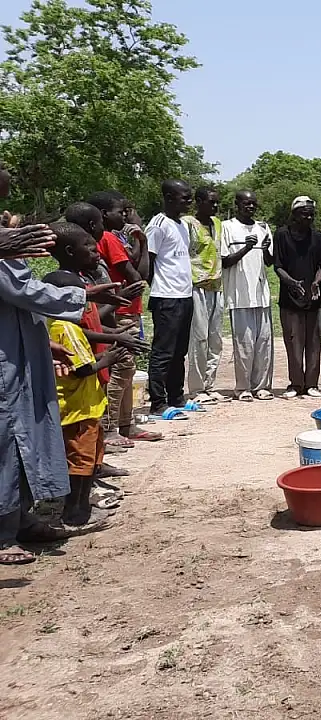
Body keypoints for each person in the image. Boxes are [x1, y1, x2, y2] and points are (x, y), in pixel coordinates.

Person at [42, 223, 131, 530]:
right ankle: (76, 514)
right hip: (77, 411)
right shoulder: (64, 329)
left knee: (88, 459)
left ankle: (82, 506)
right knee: (79, 463)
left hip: (87, 407)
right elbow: (81, 368)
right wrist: (109, 357)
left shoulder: (65, 326)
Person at [87, 191, 160, 445]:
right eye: (122, 212)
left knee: (127, 369)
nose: (126, 217)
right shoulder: (109, 238)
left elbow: (138, 270)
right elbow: (138, 276)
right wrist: (141, 241)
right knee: (120, 368)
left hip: (128, 310)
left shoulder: (115, 238)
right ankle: (110, 427)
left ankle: (125, 424)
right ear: (105, 214)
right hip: (120, 313)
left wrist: (140, 242)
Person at [145, 179, 195, 416]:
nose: (189, 201)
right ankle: (158, 402)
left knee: (179, 351)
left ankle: (177, 397)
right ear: (169, 197)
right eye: (185, 197)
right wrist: (159, 287)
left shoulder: (182, 225)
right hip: (166, 297)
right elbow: (148, 262)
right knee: (163, 352)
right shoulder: (158, 225)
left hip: (185, 295)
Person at [220, 190, 275, 401]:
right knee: (244, 344)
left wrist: (265, 249)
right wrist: (246, 248)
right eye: (246, 203)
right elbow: (225, 261)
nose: (250, 207)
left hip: (261, 294)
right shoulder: (227, 227)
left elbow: (269, 261)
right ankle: (243, 388)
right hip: (239, 295)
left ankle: (262, 386)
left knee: (264, 343)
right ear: (237, 205)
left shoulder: (263, 227)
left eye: (253, 203)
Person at [275, 197, 321, 399]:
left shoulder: (318, 237)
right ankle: (296, 383)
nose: (308, 217)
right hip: (290, 297)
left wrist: (316, 282)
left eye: (311, 214)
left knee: (314, 342)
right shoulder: (282, 235)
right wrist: (292, 283)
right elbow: (278, 266)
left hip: (313, 297)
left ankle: (312, 384)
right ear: (294, 214)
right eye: (304, 214)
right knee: (293, 342)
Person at [183, 187, 224, 405]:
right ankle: (197, 388)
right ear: (198, 202)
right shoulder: (188, 224)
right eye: (211, 202)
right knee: (199, 338)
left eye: (217, 202)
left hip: (216, 286)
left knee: (215, 339)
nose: (215, 206)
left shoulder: (217, 224)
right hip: (196, 285)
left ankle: (210, 385)